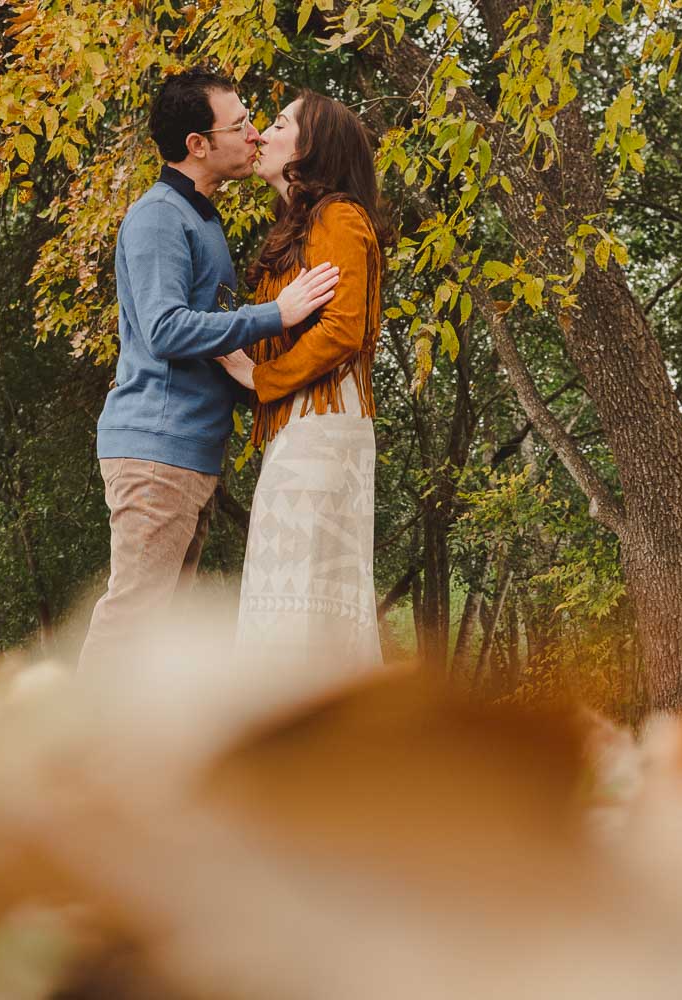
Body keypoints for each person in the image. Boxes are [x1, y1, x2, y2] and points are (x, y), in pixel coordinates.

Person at [78, 69, 341, 673]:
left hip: (189, 452)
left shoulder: (202, 219)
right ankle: (68, 759)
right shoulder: (158, 217)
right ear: (198, 144)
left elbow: (214, 342)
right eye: (240, 123)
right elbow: (166, 329)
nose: (253, 133)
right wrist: (276, 314)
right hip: (154, 448)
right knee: (133, 620)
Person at [216, 91, 396, 670]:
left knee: (304, 602)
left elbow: (344, 329)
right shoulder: (300, 226)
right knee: (286, 598)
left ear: (310, 147)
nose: (261, 135)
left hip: (322, 427)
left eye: (277, 123)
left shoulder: (339, 217)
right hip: (300, 428)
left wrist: (262, 377)